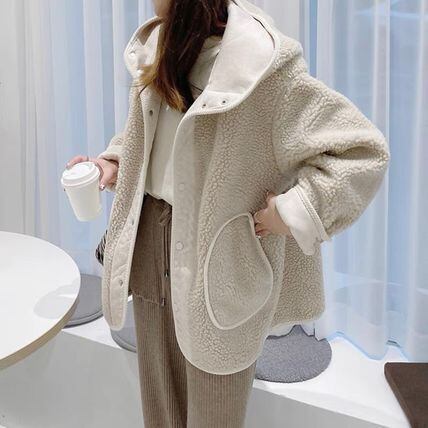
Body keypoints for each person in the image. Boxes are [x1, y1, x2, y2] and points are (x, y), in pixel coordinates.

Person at [66, 0, 390, 426]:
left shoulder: (261, 63)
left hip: (218, 256)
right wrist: (115, 162)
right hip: (150, 238)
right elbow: (150, 132)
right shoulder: (161, 44)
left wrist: (291, 212)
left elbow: (361, 151)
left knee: (214, 407)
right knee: (159, 401)